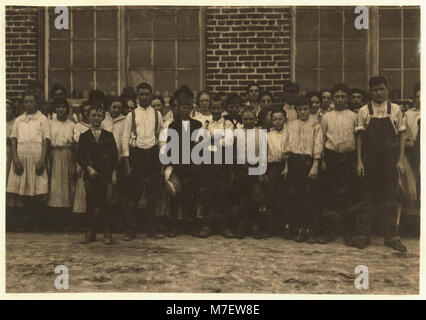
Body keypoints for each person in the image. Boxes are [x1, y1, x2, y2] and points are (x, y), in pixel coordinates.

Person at [354, 76, 407, 252]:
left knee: (390, 198)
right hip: (370, 160)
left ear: (387, 89)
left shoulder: (395, 110)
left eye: (382, 89)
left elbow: (401, 136)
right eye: (375, 89)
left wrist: (400, 160)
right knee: (367, 197)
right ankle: (363, 234)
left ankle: (392, 237)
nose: (379, 92)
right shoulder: (364, 111)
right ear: (370, 91)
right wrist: (359, 161)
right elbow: (360, 137)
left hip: (389, 160)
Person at [121, 82, 164, 240]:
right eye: (141, 94)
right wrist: (126, 161)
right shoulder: (131, 115)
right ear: (137, 96)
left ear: (151, 95)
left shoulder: (157, 114)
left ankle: (150, 227)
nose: (144, 97)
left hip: (152, 154)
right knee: (134, 192)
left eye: (147, 94)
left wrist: (161, 157)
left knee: (152, 193)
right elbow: (125, 139)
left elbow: (160, 137)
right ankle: (132, 228)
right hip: (136, 155)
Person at [7, 90, 51, 232]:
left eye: (31, 101)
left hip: (37, 157)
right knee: (23, 191)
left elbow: (46, 140)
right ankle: (26, 223)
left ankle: (37, 223)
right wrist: (16, 160)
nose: (28, 104)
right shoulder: (19, 120)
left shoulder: (42, 119)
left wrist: (42, 160)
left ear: (36, 103)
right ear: (23, 103)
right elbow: (13, 140)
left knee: (38, 191)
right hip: (21, 157)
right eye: (26, 101)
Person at [319, 84, 358, 244]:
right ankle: (330, 229)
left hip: (348, 157)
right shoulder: (326, 117)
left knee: (348, 195)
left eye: (343, 96)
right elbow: (321, 140)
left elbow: (358, 138)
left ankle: (348, 231)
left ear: (347, 98)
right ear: (332, 99)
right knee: (332, 194)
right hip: (332, 157)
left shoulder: (354, 116)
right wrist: (322, 160)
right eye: (337, 97)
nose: (340, 100)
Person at [283, 96, 323, 243]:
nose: (303, 112)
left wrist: (315, 165)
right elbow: (287, 147)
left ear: (310, 108)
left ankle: (311, 229)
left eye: (305, 109)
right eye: (299, 109)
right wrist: (287, 166)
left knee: (310, 197)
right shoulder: (290, 125)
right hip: (294, 162)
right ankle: (300, 228)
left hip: (308, 162)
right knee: (297, 197)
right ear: (296, 111)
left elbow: (318, 146)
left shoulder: (316, 125)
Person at [77, 103, 118, 245]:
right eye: (93, 115)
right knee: (91, 203)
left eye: (99, 115)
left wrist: (113, 175)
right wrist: (88, 168)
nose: (95, 118)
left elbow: (114, 157)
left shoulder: (108, 136)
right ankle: (91, 231)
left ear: (103, 118)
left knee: (106, 203)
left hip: (105, 176)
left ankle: (107, 232)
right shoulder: (84, 136)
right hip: (91, 176)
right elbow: (80, 156)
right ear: (88, 116)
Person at [163, 91, 203, 237]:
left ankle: (191, 224)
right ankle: (174, 225)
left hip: (192, 164)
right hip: (178, 164)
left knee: (191, 195)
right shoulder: (173, 126)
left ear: (191, 108)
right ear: (178, 108)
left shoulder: (197, 124)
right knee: (176, 195)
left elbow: (200, 145)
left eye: (188, 107)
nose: (186, 110)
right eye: (183, 107)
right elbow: (170, 146)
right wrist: (170, 166)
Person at [47, 97, 76, 231]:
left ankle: (67, 221)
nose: (61, 110)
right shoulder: (50, 123)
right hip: (54, 154)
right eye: (58, 107)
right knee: (55, 187)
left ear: (67, 109)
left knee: (67, 187)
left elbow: (75, 143)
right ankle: (55, 221)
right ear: (55, 109)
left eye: (63, 107)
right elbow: (47, 141)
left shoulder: (71, 124)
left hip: (67, 155)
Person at [266, 108, 288, 238]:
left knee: (284, 197)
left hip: (284, 167)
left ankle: (285, 226)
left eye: (280, 119)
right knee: (271, 196)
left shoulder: (289, 133)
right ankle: (271, 227)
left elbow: (289, 152)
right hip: (272, 167)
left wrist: (286, 166)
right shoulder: (268, 135)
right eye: (275, 119)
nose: (278, 121)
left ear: (285, 119)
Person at [6, 99, 23, 231]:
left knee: (11, 187)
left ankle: (12, 221)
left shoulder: (16, 122)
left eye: (8, 108)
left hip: (10, 156)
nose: (6, 111)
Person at [72, 101, 91, 215]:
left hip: (95, 161)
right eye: (86, 111)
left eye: (90, 111)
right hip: (83, 160)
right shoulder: (78, 127)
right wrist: (78, 163)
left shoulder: (100, 125)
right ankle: (82, 218)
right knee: (82, 189)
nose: (88, 114)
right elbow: (77, 146)